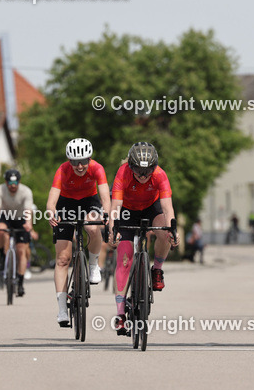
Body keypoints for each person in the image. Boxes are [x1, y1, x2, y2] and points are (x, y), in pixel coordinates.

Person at [107, 142, 177, 335]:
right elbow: (115, 207)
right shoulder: (123, 173)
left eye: (148, 171)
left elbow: (167, 207)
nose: (144, 176)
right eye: (139, 171)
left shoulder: (160, 175)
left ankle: (157, 270)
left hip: (151, 207)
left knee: (165, 233)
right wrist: (113, 229)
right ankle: (121, 314)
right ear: (131, 166)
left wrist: (173, 230)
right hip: (128, 210)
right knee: (124, 257)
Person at [46, 138, 111, 327]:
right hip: (66, 203)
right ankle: (62, 310)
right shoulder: (63, 170)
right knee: (63, 259)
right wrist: (51, 213)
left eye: (83, 161)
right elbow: (52, 200)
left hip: (89, 201)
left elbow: (105, 196)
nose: (80, 166)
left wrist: (106, 213)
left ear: (90, 158)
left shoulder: (97, 168)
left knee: (92, 227)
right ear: (69, 161)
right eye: (75, 162)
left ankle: (93, 265)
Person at [0, 169, 35, 297]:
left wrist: (28, 223)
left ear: (19, 182)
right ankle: (2, 255)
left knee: (21, 251)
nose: (13, 185)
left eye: (15, 182)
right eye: (10, 182)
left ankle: (20, 283)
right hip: (6, 216)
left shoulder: (26, 191)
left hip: (21, 218)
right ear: (6, 182)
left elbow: (28, 210)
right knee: (0, 230)